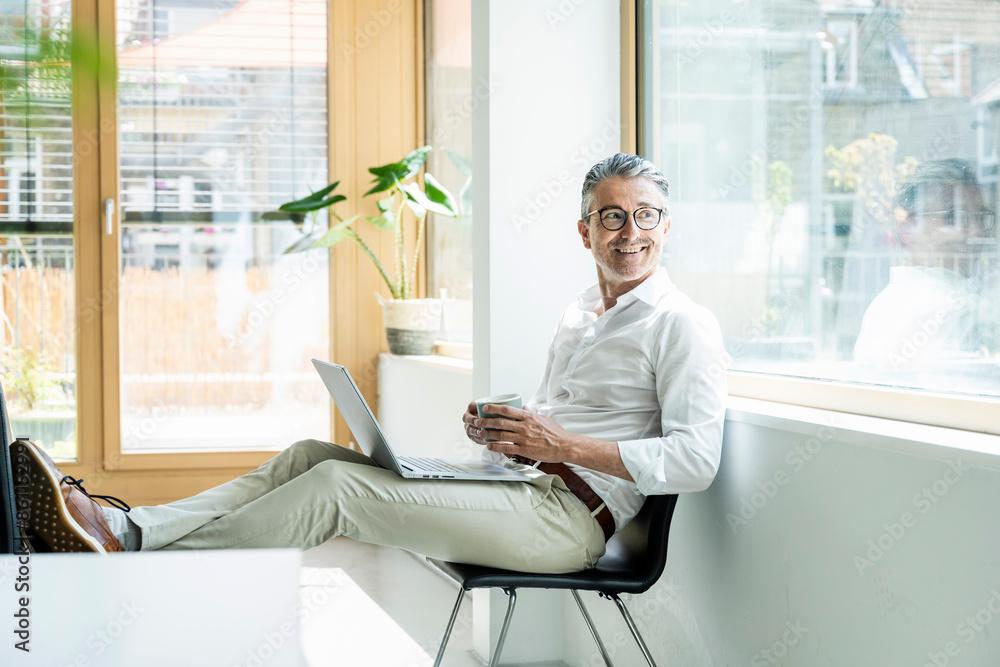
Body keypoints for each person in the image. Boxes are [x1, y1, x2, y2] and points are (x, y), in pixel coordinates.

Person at [13, 153, 727, 574]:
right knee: (306, 456)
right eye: (611, 216)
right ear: (584, 231)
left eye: (645, 215)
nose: (628, 232)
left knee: (339, 490)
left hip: (570, 522)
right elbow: (560, 423)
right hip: (520, 487)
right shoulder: (580, 313)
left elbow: (697, 460)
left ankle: (132, 567)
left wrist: (558, 445)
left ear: (667, 227)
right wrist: (508, 431)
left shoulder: (684, 325)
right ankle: (131, 528)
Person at [854, 159, 999, 386]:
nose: (978, 231)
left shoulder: (883, 305)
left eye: (981, 217)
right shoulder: (956, 308)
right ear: (908, 228)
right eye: (954, 217)